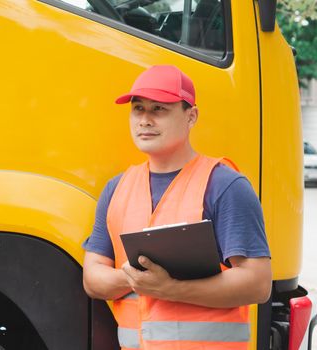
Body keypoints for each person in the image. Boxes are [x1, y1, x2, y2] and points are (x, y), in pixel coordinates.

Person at [82, 65, 272, 350]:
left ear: (191, 116)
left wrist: (170, 288)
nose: (144, 120)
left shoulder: (225, 186)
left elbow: (257, 283)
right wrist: (135, 279)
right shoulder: (117, 188)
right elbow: (93, 277)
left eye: (159, 109)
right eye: (138, 109)